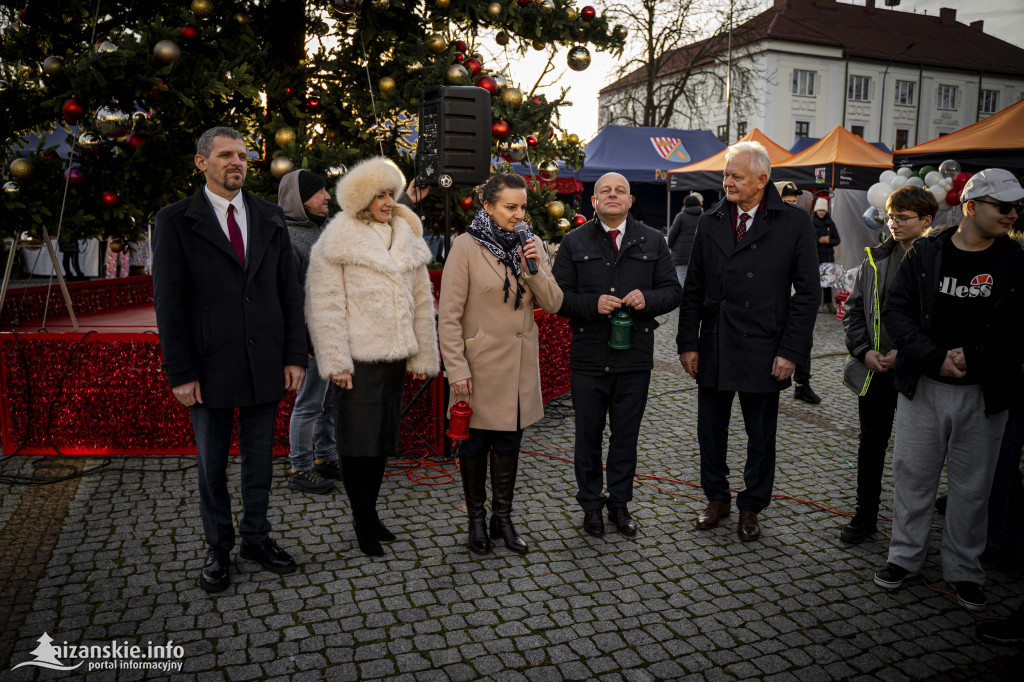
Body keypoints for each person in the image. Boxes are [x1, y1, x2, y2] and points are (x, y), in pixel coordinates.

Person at [152, 126, 307, 593]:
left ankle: (256, 538)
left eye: (241, 155)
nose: (236, 162)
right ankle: (218, 548)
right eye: (225, 155)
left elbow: (289, 292)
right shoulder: (176, 220)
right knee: (212, 466)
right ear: (202, 163)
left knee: (259, 462)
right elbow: (169, 303)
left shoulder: (269, 216)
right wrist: (180, 371)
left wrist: (294, 356)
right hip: (208, 366)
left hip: (265, 364)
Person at [873, 168, 1024, 612]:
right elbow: (896, 312)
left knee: (972, 488)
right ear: (971, 207)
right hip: (923, 385)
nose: (1012, 214)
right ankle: (904, 557)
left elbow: (1018, 329)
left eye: (1016, 207)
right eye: (1004, 206)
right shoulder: (925, 253)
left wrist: (974, 357)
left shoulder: (1015, 261)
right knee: (912, 476)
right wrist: (933, 355)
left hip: (985, 392)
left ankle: (964, 570)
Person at [676, 141, 819, 542]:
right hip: (716, 342)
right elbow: (695, 289)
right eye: (725, 175)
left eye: (736, 176)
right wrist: (688, 343)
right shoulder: (710, 220)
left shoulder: (794, 223)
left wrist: (791, 352)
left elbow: (808, 294)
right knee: (710, 431)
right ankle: (716, 499)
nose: (728, 182)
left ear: (762, 178)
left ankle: (752, 505)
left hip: (765, 346)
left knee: (761, 436)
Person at [305, 156, 439, 557]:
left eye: (390, 194)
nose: (386, 201)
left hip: (396, 359)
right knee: (357, 444)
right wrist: (337, 361)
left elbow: (421, 302)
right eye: (378, 195)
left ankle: (372, 512)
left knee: (382, 442)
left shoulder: (406, 232)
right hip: (358, 362)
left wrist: (422, 355)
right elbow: (325, 305)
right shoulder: (336, 239)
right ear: (361, 198)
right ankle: (362, 520)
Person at [438, 174, 563, 555]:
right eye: (510, 207)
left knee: (510, 444)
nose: (518, 214)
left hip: (519, 368)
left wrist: (533, 268)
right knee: (474, 447)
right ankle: (476, 520)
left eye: (522, 206)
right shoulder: (465, 247)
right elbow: (448, 316)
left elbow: (554, 303)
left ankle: (502, 519)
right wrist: (456, 369)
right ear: (488, 207)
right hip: (478, 367)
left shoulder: (533, 245)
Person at [552, 172, 683, 537]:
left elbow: (673, 291)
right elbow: (558, 298)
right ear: (594, 200)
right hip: (589, 357)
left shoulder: (653, 240)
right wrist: (592, 304)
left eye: (620, 190)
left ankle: (620, 504)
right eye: (605, 191)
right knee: (588, 437)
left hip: (634, 358)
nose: (613, 195)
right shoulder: (574, 241)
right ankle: (591, 505)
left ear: (630, 200)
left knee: (626, 437)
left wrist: (648, 299)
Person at [839, 185, 936, 545]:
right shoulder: (875, 258)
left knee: (917, 455)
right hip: (876, 372)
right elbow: (853, 311)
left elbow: (942, 325)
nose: (893, 222)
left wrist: (909, 355)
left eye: (902, 217)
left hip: (920, 374)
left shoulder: (938, 263)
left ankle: (913, 528)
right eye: (890, 216)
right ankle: (865, 516)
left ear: (927, 220)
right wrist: (864, 351)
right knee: (872, 446)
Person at [278, 169, 339, 494]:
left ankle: (325, 458)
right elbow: (289, 297)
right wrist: (301, 345)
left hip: (330, 334)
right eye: (320, 191)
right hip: (311, 337)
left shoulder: (322, 230)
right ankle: (300, 466)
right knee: (309, 403)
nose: (327, 196)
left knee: (327, 402)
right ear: (299, 200)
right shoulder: (288, 239)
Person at [776, 183, 821, 405]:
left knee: (803, 340)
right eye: (785, 201)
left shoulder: (801, 223)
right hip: (775, 300)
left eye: (793, 202)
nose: (789, 206)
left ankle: (802, 384)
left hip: (797, 296)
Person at [812, 197, 841, 314]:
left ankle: (829, 304)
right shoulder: (811, 222)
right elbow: (808, 240)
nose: (821, 212)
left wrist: (829, 241)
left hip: (828, 258)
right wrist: (819, 240)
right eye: (819, 210)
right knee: (816, 283)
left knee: (828, 282)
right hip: (816, 257)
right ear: (816, 211)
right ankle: (816, 304)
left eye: (823, 210)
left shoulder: (831, 224)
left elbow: (837, 240)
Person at [668, 194, 702, 287]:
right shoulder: (703, 217)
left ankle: (681, 299)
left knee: (681, 275)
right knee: (696, 277)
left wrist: (669, 246)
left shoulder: (681, 216)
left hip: (681, 253)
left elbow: (672, 234)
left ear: (685, 204)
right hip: (698, 252)